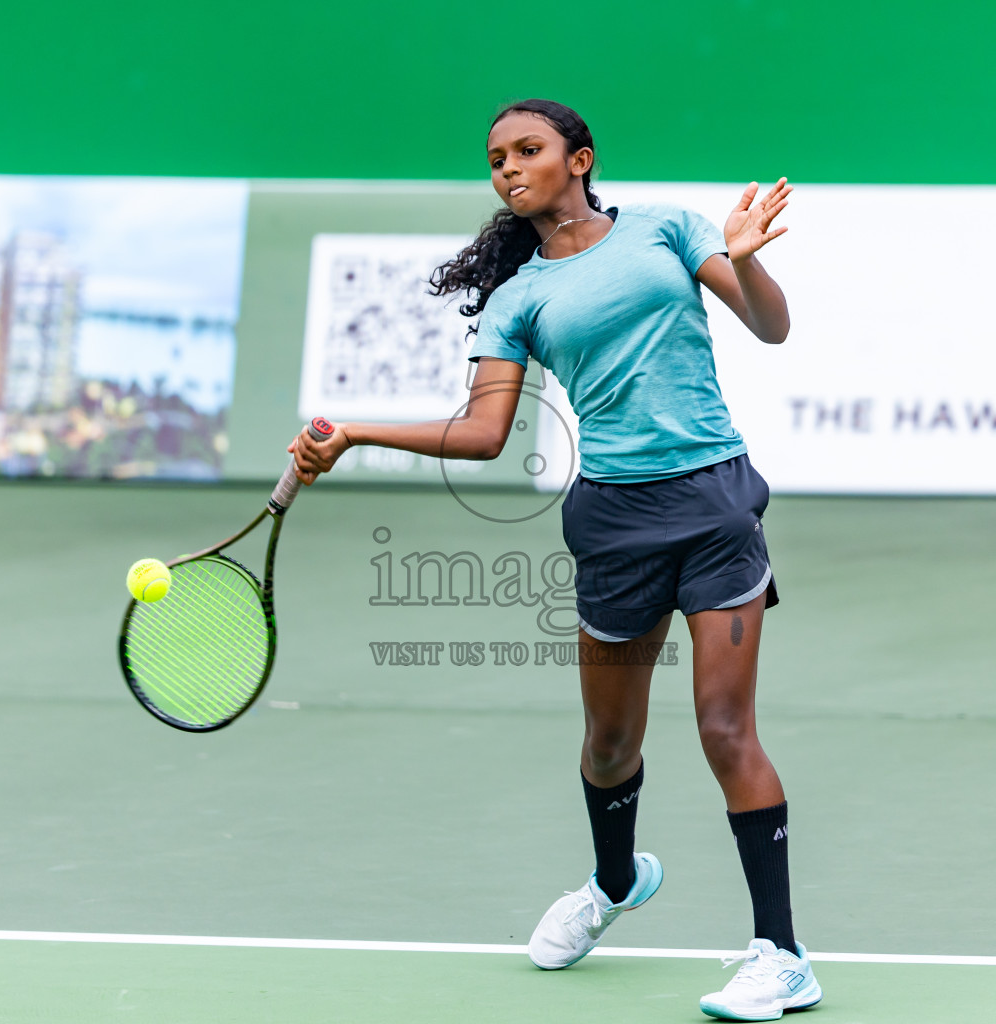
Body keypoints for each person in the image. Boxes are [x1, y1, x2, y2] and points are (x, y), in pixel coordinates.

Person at [289, 98, 819, 1021]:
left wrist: (746, 257)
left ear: (580, 159)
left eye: (527, 150)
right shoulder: (516, 299)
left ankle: (781, 953)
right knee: (610, 746)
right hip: (612, 522)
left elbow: (771, 329)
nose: (508, 167)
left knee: (725, 728)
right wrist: (358, 429)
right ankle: (616, 883)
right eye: (496, 158)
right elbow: (484, 433)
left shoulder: (669, 230)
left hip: (714, 500)